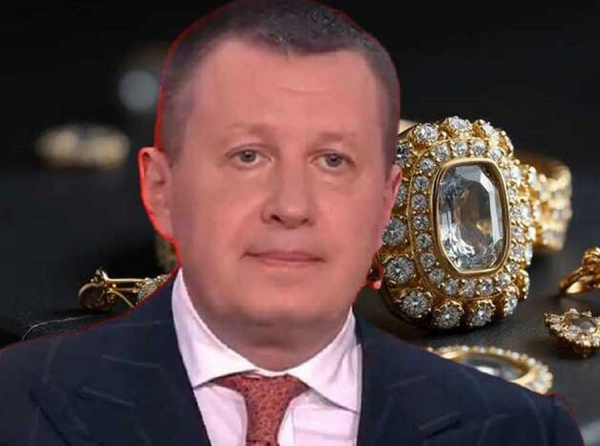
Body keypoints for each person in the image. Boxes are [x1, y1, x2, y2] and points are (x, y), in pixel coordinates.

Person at [0, 0, 583, 444]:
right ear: (162, 189)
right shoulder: (20, 400)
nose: (292, 204)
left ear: (387, 199)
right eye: (248, 156)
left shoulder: (525, 427)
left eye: (333, 161)